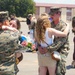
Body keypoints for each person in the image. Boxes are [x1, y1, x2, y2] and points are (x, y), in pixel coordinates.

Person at [37, 7, 70, 75]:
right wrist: (39, 46)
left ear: (59, 14)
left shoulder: (63, 26)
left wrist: (47, 49)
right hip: (48, 50)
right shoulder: (49, 24)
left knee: (59, 70)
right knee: (43, 70)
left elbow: (60, 42)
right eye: (50, 14)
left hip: (61, 50)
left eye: (53, 14)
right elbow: (40, 36)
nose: (51, 16)